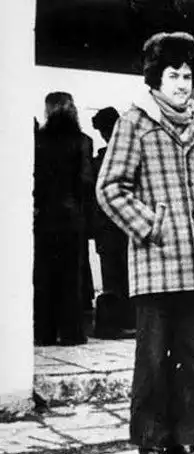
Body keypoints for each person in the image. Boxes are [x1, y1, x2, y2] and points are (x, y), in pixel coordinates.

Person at [96, 32, 194, 454]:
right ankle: (151, 443)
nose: (182, 84)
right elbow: (110, 188)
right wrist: (152, 226)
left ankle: (187, 439)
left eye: (187, 76)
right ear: (155, 79)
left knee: (191, 361)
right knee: (152, 361)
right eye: (173, 75)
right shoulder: (134, 123)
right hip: (154, 266)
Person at [34, 91, 94, 346]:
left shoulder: (38, 140)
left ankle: (44, 333)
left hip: (44, 216)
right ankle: (71, 332)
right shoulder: (83, 141)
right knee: (71, 276)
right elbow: (86, 181)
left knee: (44, 275)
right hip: (72, 216)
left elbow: (35, 179)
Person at [90, 106, 135, 339]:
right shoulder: (131, 155)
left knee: (112, 276)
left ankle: (114, 322)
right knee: (128, 275)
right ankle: (129, 319)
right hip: (127, 226)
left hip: (106, 228)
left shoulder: (98, 162)